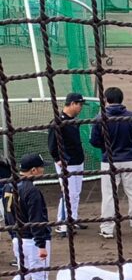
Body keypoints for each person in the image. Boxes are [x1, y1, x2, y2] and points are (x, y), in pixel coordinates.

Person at [0, 153, 69, 280]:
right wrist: (41, 245)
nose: (43, 170)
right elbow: (37, 220)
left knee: (23, 275)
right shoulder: (32, 191)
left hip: (18, 240)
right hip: (33, 242)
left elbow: (8, 216)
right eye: (41, 167)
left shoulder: (8, 185)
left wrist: (14, 236)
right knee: (40, 279)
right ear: (33, 170)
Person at [90, 86, 132, 239]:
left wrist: (106, 146)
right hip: (130, 160)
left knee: (109, 195)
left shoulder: (100, 118)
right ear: (121, 99)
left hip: (109, 161)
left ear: (106, 100)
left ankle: (107, 229)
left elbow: (94, 141)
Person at [48, 92, 89, 236]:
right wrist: (58, 159)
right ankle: (62, 224)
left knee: (75, 193)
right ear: (72, 104)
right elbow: (52, 145)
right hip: (67, 164)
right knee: (68, 194)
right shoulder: (58, 121)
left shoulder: (73, 120)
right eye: (80, 104)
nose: (81, 107)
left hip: (78, 161)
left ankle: (73, 219)